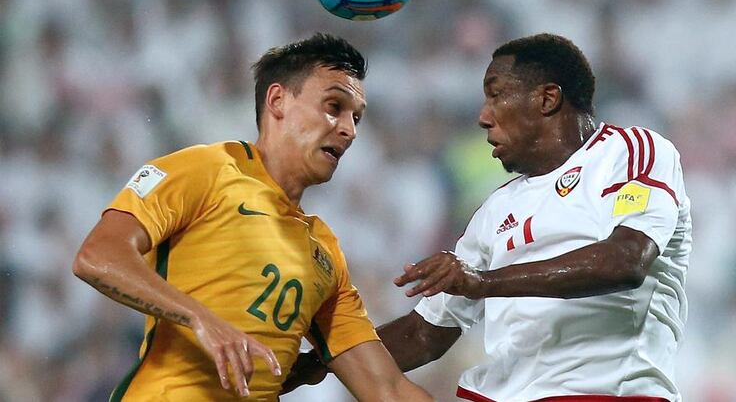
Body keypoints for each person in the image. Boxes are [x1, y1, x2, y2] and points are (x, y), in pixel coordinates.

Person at [286, 33, 692, 402]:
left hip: (605, 393)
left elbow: (626, 261)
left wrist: (482, 283)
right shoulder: (496, 210)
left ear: (547, 99)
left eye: (496, 96)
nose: (483, 116)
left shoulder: (632, 152)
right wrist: (317, 363)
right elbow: (425, 333)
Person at [73, 34, 432, 401]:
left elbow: (388, 388)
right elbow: (98, 256)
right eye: (333, 106)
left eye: (356, 117)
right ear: (277, 100)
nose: (349, 130)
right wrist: (201, 318)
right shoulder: (207, 169)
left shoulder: (324, 253)